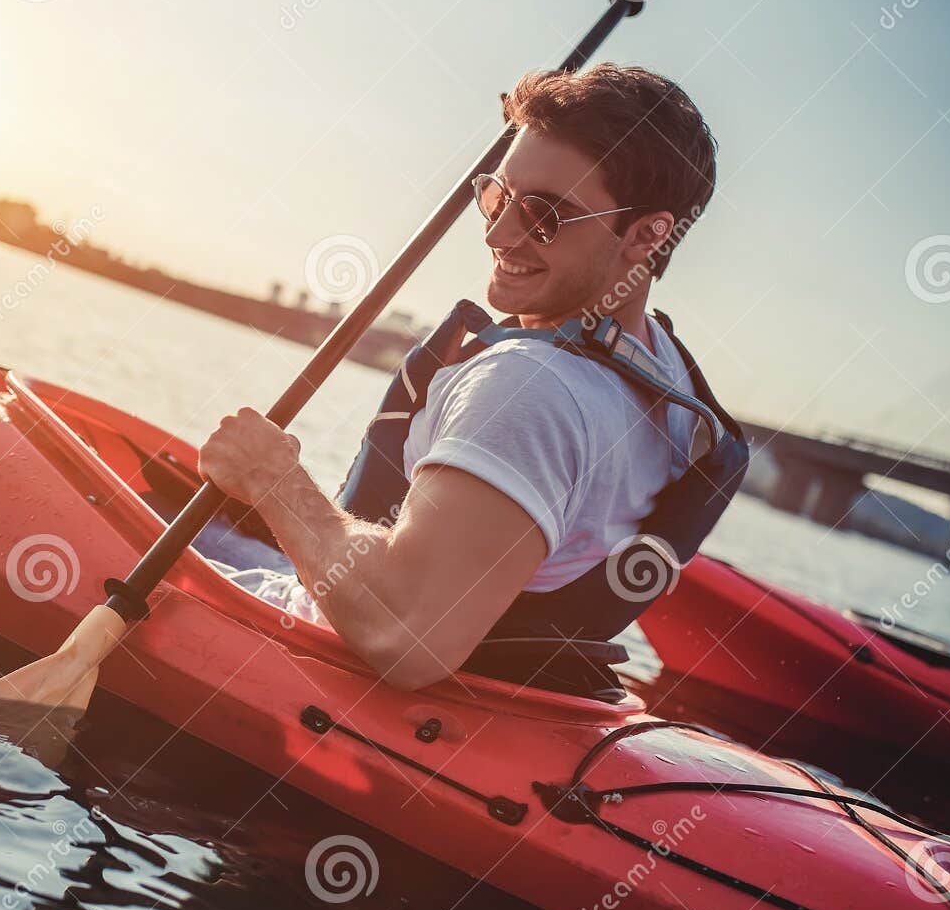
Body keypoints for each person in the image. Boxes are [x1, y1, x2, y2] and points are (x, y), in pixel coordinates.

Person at [196, 63, 739, 698]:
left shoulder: (529, 387)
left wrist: (271, 478)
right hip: (492, 678)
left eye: (544, 215)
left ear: (647, 235)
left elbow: (410, 637)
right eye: (496, 195)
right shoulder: (663, 365)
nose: (497, 232)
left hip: (321, 653)